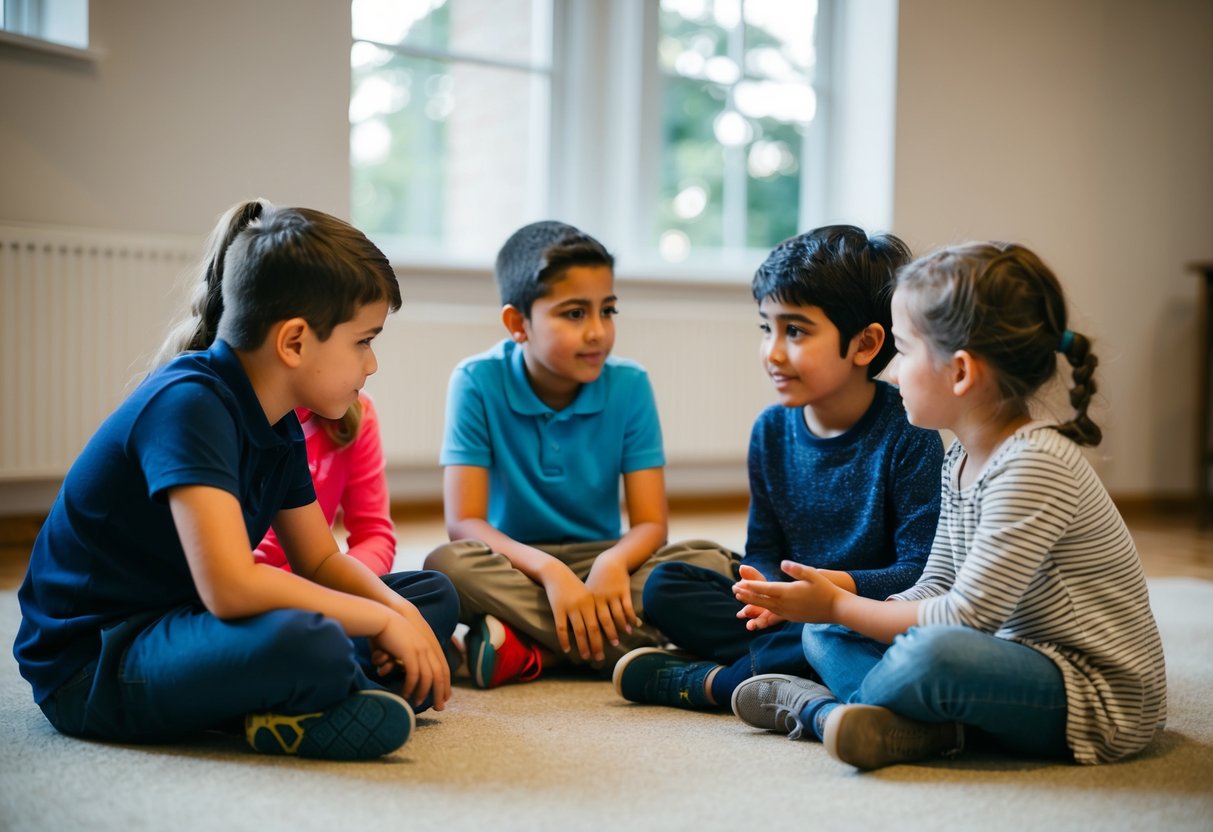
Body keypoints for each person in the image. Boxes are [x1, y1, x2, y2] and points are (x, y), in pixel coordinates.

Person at [14, 199, 458, 762]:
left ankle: (303, 700)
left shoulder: (282, 421)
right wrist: (378, 622)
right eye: (363, 342)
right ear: (294, 342)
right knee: (314, 639)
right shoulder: (189, 404)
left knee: (429, 598)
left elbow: (320, 561)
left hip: (188, 622)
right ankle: (308, 695)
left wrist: (403, 617)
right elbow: (231, 587)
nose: (371, 366)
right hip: (99, 660)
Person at [729, 241, 1167, 771]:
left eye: (905, 351)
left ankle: (821, 711)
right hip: (1002, 660)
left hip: (1093, 698)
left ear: (960, 373)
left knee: (928, 653)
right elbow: (936, 584)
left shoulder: (1035, 464)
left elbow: (965, 619)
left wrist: (843, 604)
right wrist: (836, 612)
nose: (891, 373)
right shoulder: (959, 454)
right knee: (824, 633)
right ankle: (912, 726)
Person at [613, 225, 943, 711]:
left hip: (856, 616)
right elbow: (764, 547)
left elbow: (918, 573)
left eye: (796, 331)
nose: (772, 351)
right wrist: (765, 592)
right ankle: (780, 670)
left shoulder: (910, 434)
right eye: (767, 328)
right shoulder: (771, 430)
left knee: (838, 637)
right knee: (665, 586)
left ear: (866, 344)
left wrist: (827, 593)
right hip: (790, 612)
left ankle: (715, 684)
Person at [423, 220, 735, 688]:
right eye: (574, 314)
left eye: (607, 311)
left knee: (707, 561)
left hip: (604, 561)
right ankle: (627, 644)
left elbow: (651, 523)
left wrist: (611, 565)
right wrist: (550, 572)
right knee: (446, 566)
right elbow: (465, 523)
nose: (597, 332)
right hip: (517, 564)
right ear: (517, 324)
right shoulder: (475, 381)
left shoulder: (630, 385)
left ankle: (532, 649)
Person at [253, 394, 397, 576]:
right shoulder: (226, 413)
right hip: (257, 588)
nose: (371, 368)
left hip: (318, 582)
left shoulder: (359, 410)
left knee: (434, 586)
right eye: (358, 361)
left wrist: (346, 585)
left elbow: (374, 533)